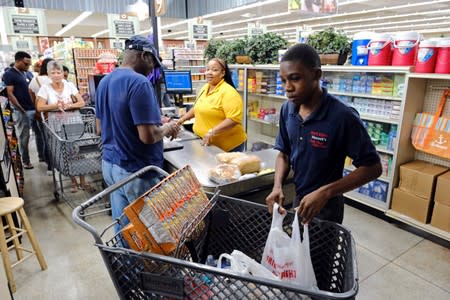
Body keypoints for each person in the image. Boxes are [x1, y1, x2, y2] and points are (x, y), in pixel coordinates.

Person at [265, 44, 382, 224]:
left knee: (320, 252)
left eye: (295, 78)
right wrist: (277, 185)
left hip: (327, 208)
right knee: (297, 250)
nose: (287, 87)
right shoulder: (288, 109)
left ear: (317, 75)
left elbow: (373, 168)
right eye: (283, 80)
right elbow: (284, 154)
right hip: (299, 200)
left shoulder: (342, 116)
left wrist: (325, 192)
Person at [95, 35, 179, 232]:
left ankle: (125, 261)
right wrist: (169, 127)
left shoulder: (105, 82)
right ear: (144, 56)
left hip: (110, 166)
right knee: (147, 232)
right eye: (153, 63)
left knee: (125, 227)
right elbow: (148, 136)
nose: (152, 69)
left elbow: (99, 128)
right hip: (136, 171)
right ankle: (144, 264)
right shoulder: (139, 82)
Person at [36, 61, 92, 193]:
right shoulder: (45, 88)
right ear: (48, 75)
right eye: (53, 73)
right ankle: (73, 182)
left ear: (63, 73)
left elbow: (81, 102)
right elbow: (40, 107)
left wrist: (69, 106)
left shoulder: (70, 85)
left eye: (58, 72)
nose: (56, 75)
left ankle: (83, 181)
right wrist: (56, 105)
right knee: (65, 153)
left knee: (79, 151)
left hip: (74, 122)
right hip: (57, 124)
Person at [176, 58, 247, 152]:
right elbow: (197, 108)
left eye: (214, 70)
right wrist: (181, 120)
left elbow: (233, 119)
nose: (209, 72)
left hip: (227, 146)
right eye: (208, 69)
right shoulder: (205, 88)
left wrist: (211, 132)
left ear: (222, 73)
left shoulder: (229, 92)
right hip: (206, 142)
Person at [3, 51, 40, 169]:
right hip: (22, 111)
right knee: (24, 137)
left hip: (33, 109)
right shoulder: (9, 74)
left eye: (29, 64)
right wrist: (21, 109)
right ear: (17, 61)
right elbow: (10, 93)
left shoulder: (27, 73)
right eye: (25, 64)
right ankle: (25, 161)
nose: (28, 66)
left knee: (40, 134)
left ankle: (42, 156)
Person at [29, 58, 54, 166]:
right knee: (56, 140)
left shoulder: (35, 80)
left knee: (45, 139)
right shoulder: (53, 79)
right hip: (55, 113)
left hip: (41, 114)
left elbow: (32, 97)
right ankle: (59, 162)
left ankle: (49, 165)